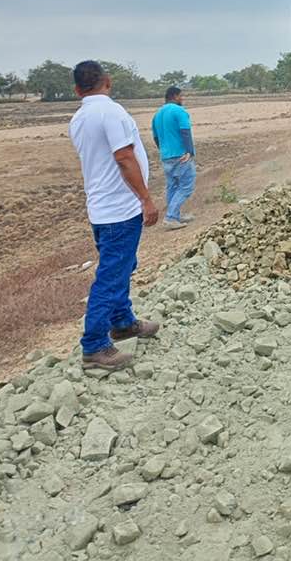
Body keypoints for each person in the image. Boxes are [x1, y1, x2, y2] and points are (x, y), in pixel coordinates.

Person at [69, 60, 160, 371]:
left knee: (121, 267)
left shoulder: (79, 118)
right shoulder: (111, 112)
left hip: (101, 209)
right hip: (119, 210)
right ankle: (95, 346)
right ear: (107, 81)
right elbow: (123, 157)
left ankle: (122, 322)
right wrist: (146, 199)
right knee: (111, 277)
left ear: (77, 89)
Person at [151, 86, 196, 230]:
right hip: (181, 155)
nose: (182, 98)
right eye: (181, 96)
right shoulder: (179, 111)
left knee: (172, 186)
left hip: (166, 157)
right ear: (175, 96)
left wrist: (164, 151)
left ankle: (175, 215)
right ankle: (171, 217)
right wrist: (189, 151)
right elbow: (185, 131)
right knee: (186, 186)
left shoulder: (157, 115)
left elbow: (156, 137)